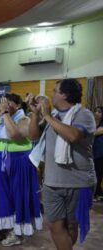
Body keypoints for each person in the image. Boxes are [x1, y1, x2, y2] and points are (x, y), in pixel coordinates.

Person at [28, 79, 96, 249]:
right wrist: (36, 115)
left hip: (78, 183)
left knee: (72, 225)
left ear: (64, 94)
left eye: (54, 91)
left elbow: (73, 136)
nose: (51, 94)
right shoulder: (54, 117)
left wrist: (48, 116)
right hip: (52, 182)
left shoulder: (83, 114)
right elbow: (33, 136)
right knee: (54, 225)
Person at [0, 93, 42, 247]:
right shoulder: (0, 116)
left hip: (18, 162)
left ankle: (17, 232)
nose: (3, 105)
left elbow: (14, 134)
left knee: (16, 195)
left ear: (17, 105)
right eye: (2, 103)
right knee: (1, 195)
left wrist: (4, 113)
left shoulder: (24, 119)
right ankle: (6, 226)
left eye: (8, 103)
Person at [93, 106, 103, 201]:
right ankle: (98, 192)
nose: (97, 113)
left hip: (100, 153)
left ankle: (97, 193)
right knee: (95, 173)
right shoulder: (93, 123)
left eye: (99, 112)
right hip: (93, 152)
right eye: (96, 111)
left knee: (98, 173)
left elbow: (95, 133)